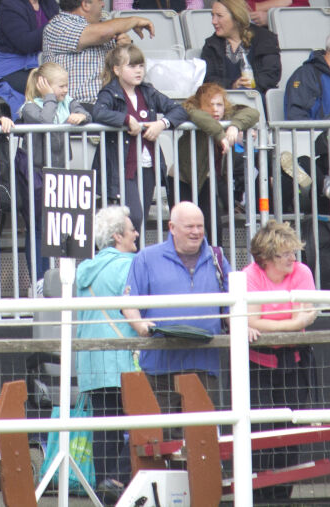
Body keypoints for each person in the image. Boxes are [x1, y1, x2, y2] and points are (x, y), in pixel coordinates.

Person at [121, 202, 232, 415]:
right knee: (162, 438)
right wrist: (139, 325)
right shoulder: (146, 258)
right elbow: (129, 302)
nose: (197, 232)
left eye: (200, 226)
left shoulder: (217, 258)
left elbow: (231, 303)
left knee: (201, 437)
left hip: (204, 364)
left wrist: (242, 325)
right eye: (189, 226)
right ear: (172, 227)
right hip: (159, 366)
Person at [244, 220, 320, 488]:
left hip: (294, 362)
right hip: (257, 365)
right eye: (285, 253)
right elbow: (253, 319)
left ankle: (284, 493)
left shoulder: (302, 272)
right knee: (259, 432)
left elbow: (258, 321)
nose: (292, 258)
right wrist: (293, 324)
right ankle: (260, 494)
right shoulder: (250, 275)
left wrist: (262, 324)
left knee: (291, 431)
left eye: (294, 251)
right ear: (265, 257)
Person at [75, 206, 138, 498]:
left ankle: (105, 490)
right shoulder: (130, 264)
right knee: (143, 419)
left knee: (104, 427)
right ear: (117, 236)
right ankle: (119, 480)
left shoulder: (82, 271)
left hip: (90, 360)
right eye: (131, 229)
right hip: (120, 357)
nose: (136, 233)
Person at [91, 42, 191, 224]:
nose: (138, 71)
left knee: (141, 218)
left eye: (141, 66)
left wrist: (162, 123)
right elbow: (98, 112)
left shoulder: (148, 91)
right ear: (117, 70)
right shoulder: (110, 92)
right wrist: (126, 119)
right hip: (122, 166)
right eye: (131, 66)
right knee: (133, 217)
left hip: (147, 164)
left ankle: (135, 253)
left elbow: (180, 109)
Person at [40, 0, 156, 106]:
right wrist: (134, 20)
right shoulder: (58, 25)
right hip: (73, 109)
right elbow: (102, 33)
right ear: (85, 5)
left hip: (109, 107)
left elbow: (127, 71)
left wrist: (125, 48)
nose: (103, 4)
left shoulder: (107, 28)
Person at [0, 0, 60, 110]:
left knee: (64, 82)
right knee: (51, 87)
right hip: (12, 70)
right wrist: (51, 26)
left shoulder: (49, 3)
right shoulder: (10, 6)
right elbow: (25, 44)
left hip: (41, 65)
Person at [200, 0, 281, 94]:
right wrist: (233, 85)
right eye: (213, 16)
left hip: (256, 100)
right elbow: (207, 78)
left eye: (219, 16)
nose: (214, 21)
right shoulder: (211, 45)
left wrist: (249, 85)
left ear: (236, 17)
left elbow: (271, 74)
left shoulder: (264, 38)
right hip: (223, 103)